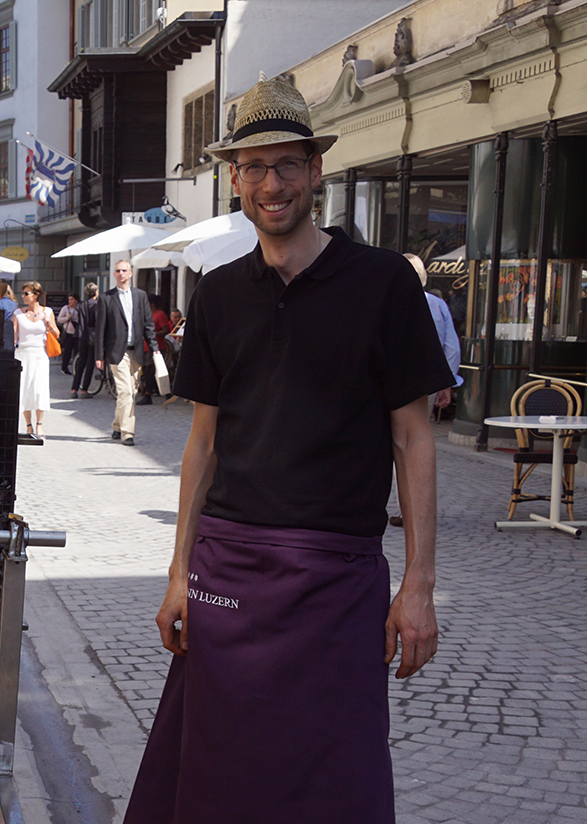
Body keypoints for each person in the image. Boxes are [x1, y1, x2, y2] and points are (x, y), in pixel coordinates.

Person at [124, 76, 450, 824]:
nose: (272, 184)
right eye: (255, 168)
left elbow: (413, 436)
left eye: (287, 166)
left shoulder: (383, 285)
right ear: (233, 178)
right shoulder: (219, 295)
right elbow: (202, 445)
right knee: (213, 777)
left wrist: (421, 586)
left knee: (337, 778)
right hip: (228, 572)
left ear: (316, 171)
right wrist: (179, 572)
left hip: (337, 577)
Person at [94, 260, 157, 445]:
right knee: (126, 392)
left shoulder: (140, 296)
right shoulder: (106, 298)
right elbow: (100, 329)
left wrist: (155, 349)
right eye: (117, 271)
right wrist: (99, 356)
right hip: (116, 352)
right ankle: (127, 433)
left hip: (136, 351)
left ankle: (116, 425)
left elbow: (148, 324)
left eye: (124, 270)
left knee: (130, 393)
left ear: (130, 273)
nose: (120, 273)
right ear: (114, 274)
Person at [404, 253, 462, 410]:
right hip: (426, 379)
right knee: (420, 429)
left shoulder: (383, 301)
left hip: (389, 378)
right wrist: (446, 384)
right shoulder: (437, 304)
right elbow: (452, 349)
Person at [12, 282, 60, 441]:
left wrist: (48, 323)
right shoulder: (18, 313)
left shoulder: (48, 312)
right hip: (23, 354)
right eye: (23, 293)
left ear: (36, 295)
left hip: (40, 354)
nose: (23, 296)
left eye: (26, 293)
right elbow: (13, 337)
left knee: (39, 389)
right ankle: (28, 425)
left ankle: (39, 423)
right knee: (24, 389)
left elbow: (57, 334)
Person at [71, 283, 101, 399]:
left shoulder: (81, 305)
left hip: (82, 336)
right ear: (96, 292)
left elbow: (74, 319)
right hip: (93, 336)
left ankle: (74, 389)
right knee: (90, 363)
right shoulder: (97, 304)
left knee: (80, 363)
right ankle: (84, 390)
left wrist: (79, 328)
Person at [57, 295, 81, 375]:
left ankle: (77, 368)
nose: (70, 301)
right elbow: (59, 319)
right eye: (69, 299)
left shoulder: (80, 308)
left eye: (72, 299)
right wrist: (67, 318)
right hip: (68, 333)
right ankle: (64, 368)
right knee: (67, 351)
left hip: (78, 333)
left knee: (77, 351)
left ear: (76, 300)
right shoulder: (66, 308)